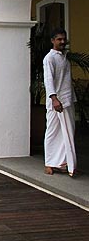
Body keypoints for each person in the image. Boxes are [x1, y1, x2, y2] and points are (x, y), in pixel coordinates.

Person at [43, 28, 77, 177]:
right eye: (59, 39)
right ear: (53, 40)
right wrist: (54, 98)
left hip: (67, 100)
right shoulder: (49, 58)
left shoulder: (64, 58)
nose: (62, 41)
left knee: (68, 133)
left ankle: (64, 163)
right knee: (52, 132)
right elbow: (48, 79)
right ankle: (49, 163)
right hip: (56, 102)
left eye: (64, 39)